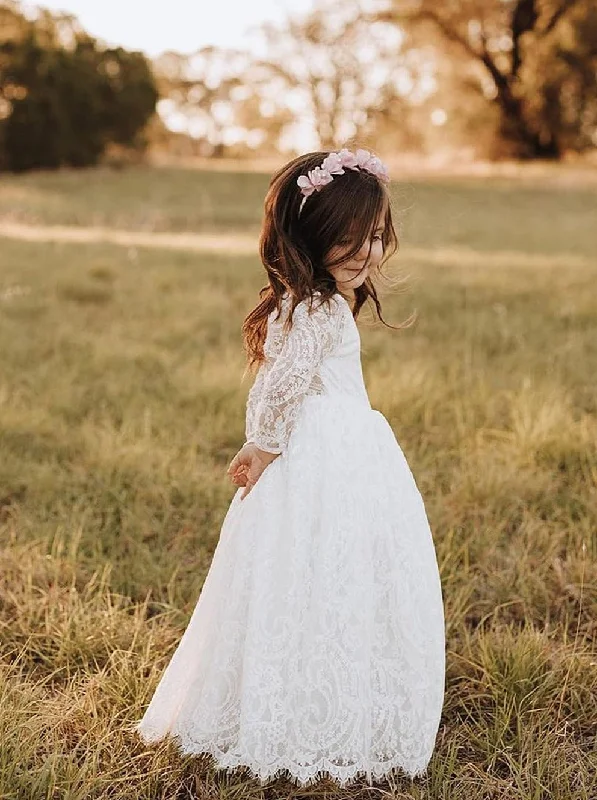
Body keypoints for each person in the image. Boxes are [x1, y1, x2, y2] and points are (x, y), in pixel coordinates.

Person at [133, 148, 446, 788]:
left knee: (323, 568)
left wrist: (267, 443)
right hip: (323, 454)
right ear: (311, 238)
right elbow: (284, 384)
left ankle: (323, 690)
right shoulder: (314, 309)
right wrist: (264, 446)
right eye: (351, 240)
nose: (369, 253)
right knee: (316, 564)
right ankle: (304, 710)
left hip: (340, 452)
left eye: (377, 236)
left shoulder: (314, 303)